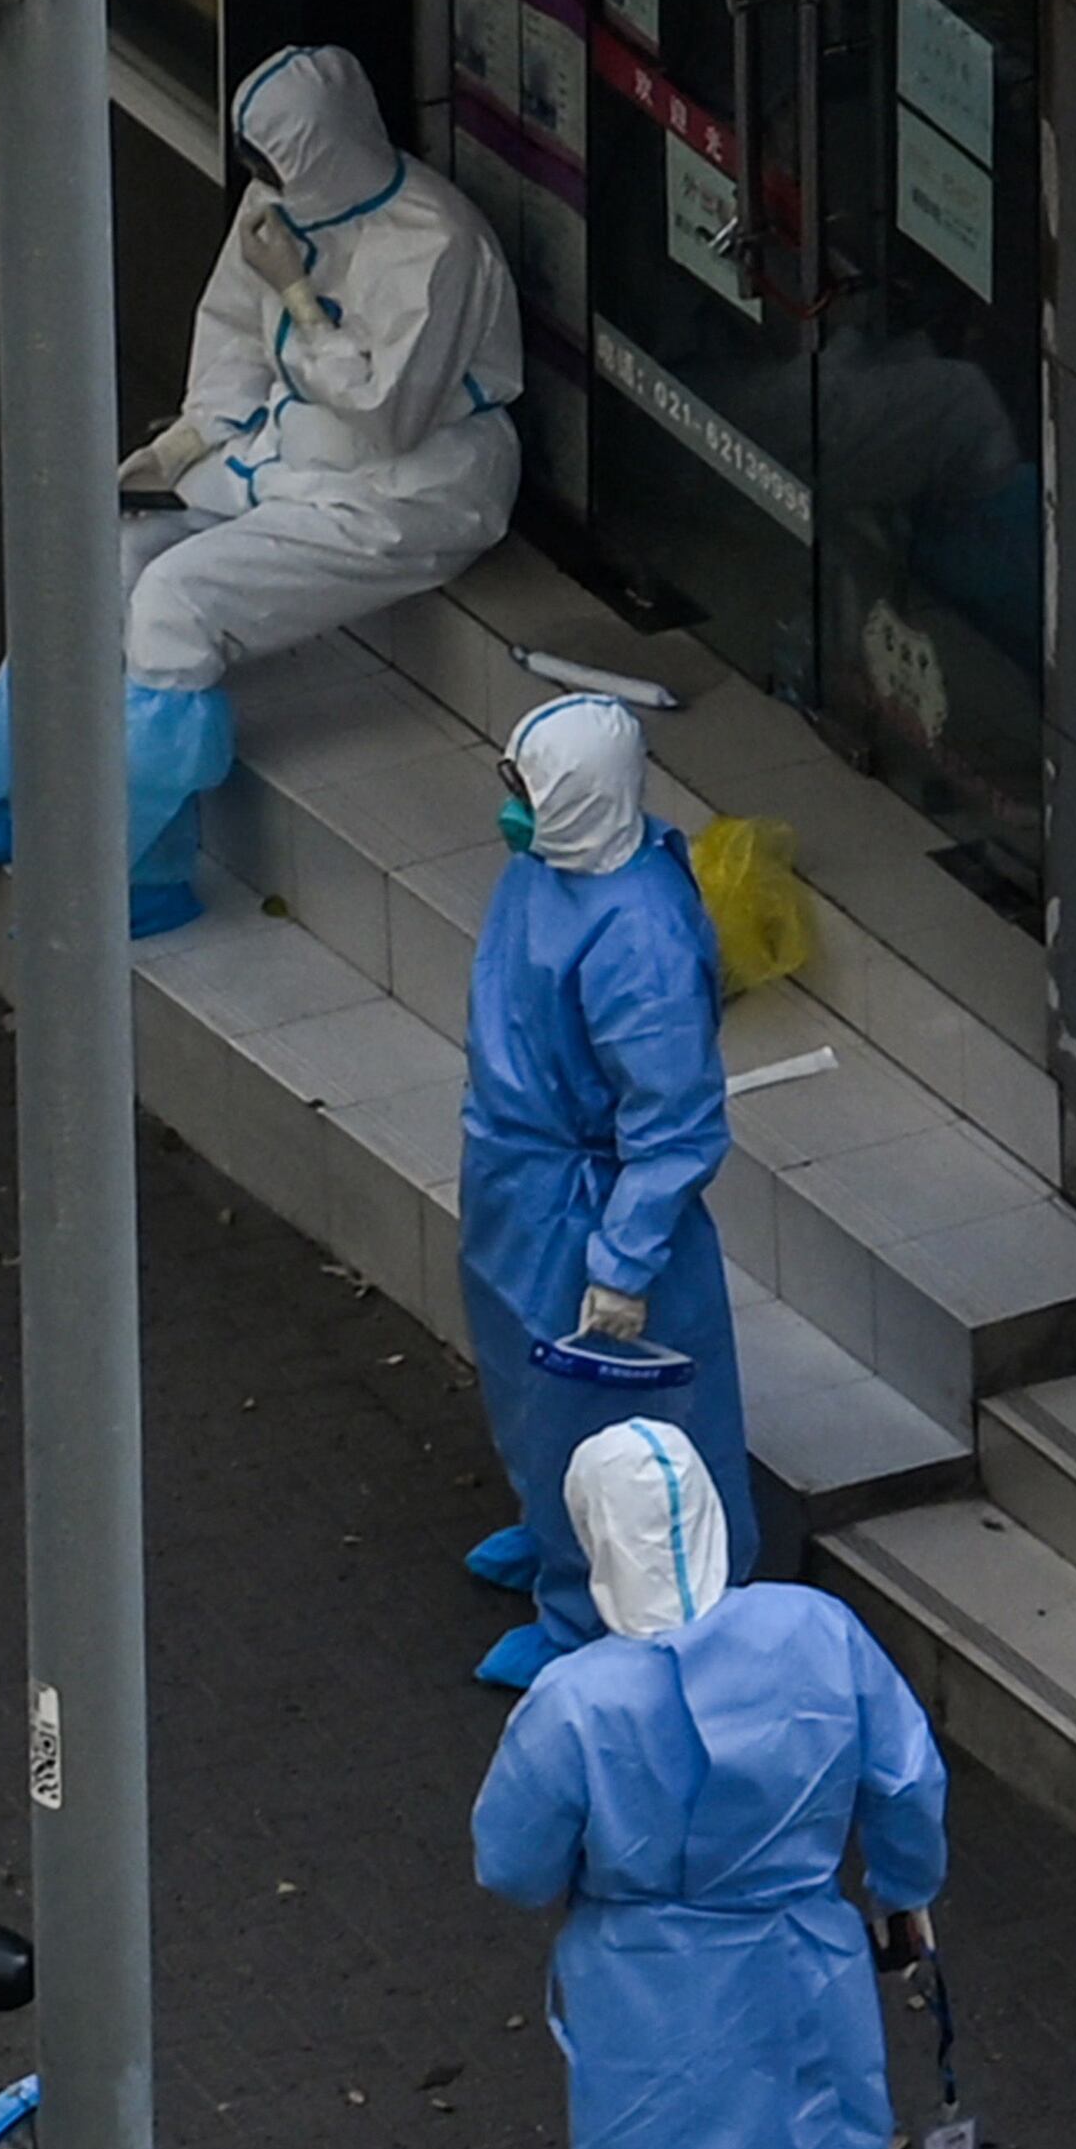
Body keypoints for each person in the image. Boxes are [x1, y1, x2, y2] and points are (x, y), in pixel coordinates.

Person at [0, 43, 522, 937]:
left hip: (410, 490)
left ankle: (133, 866)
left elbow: (389, 415)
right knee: (106, 560)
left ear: (323, 146)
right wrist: (196, 435)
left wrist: (303, 302)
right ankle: (8, 798)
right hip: (292, 454)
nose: (263, 179)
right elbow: (235, 330)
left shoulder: (437, 246)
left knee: (176, 602)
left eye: (278, 159)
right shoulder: (280, 205)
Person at [472, 1419, 945, 2149]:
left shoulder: (576, 1700)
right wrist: (902, 1894)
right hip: (804, 1952)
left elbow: (510, 1864)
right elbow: (907, 1782)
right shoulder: (818, 1633)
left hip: (651, 1983)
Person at [457, 689, 751, 1690]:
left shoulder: (640, 939)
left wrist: (622, 1261)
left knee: (607, 1414)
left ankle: (595, 1616)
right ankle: (556, 1536)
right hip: (519, 1169)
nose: (510, 806)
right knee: (530, 1383)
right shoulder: (552, 864)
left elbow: (670, 1123)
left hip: (585, 1200)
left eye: (526, 789)